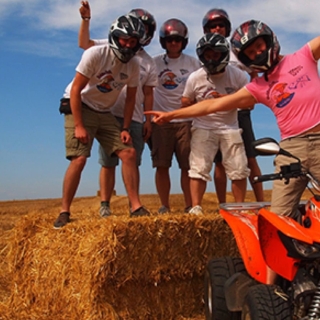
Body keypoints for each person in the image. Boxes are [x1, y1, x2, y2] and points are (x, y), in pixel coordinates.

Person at [146, 19, 320, 218]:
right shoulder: (258, 86)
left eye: (259, 47)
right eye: (251, 53)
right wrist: (170, 115)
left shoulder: (303, 56)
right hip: (291, 148)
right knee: (280, 218)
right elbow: (211, 105)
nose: (257, 54)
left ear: (269, 40)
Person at [54, 14, 150, 229]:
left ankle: (136, 207)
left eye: (133, 42)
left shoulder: (134, 64)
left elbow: (131, 98)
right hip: (80, 105)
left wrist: (125, 127)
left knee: (129, 152)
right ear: (115, 36)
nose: (128, 45)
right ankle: (64, 211)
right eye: (125, 39)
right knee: (79, 158)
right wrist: (79, 125)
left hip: (104, 111)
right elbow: (77, 90)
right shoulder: (96, 53)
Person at [78, 2, 158, 217]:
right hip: (109, 112)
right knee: (108, 162)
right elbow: (84, 43)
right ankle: (105, 204)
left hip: (134, 117)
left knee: (132, 160)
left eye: (144, 29)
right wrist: (86, 20)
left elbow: (148, 93)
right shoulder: (110, 44)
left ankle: (135, 205)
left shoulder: (149, 62)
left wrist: (147, 121)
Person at [182, 33, 250, 214]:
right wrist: (201, 105)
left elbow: (250, 102)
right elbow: (185, 100)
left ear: (224, 54)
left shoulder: (238, 75)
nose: (211, 59)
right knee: (198, 168)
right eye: (207, 55)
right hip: (203, 127)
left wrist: (227, 100)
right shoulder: (195, 77)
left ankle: (239, 207)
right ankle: (196, 207)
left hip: (230, 128)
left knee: (239, 168)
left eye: (215, 55)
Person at [202, 8, 264, 203]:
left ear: (227, 28)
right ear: (207, 29)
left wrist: (252, 96)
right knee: (220, 163)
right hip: (219, 115)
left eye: (221, 25)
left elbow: (255, 72)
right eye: (213, 25)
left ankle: (260, 201)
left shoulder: (237, 50)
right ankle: (223, 205)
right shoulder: (204, 51)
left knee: (250, 158)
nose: (217, 28)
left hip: (240, 112)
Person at [151, 18, 201, 214]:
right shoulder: (154, 62)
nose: (173, 43)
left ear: (183, 42)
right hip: (161, 120)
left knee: (187, 166)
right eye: (170, 40)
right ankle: (165, 205)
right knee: (161, 165)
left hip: (186, 121)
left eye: (177, 40)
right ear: (164, 41)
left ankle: (190, 205)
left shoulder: (193, 63)